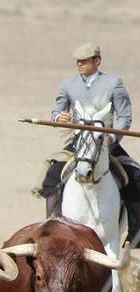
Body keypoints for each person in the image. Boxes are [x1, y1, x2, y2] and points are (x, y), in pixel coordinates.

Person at [36, 42, 140, 247]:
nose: (80, 65)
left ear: (97, 61)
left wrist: (112, 139)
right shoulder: (68, 84)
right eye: (78, 61)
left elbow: (124, 118)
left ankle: (135, 232)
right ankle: (51, 225)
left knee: (135, 177)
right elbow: (57, 111)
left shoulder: (114, 84)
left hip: (107, 143)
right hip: (79, 143)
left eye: (84, 61)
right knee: (52, 173)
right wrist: (60, 118)